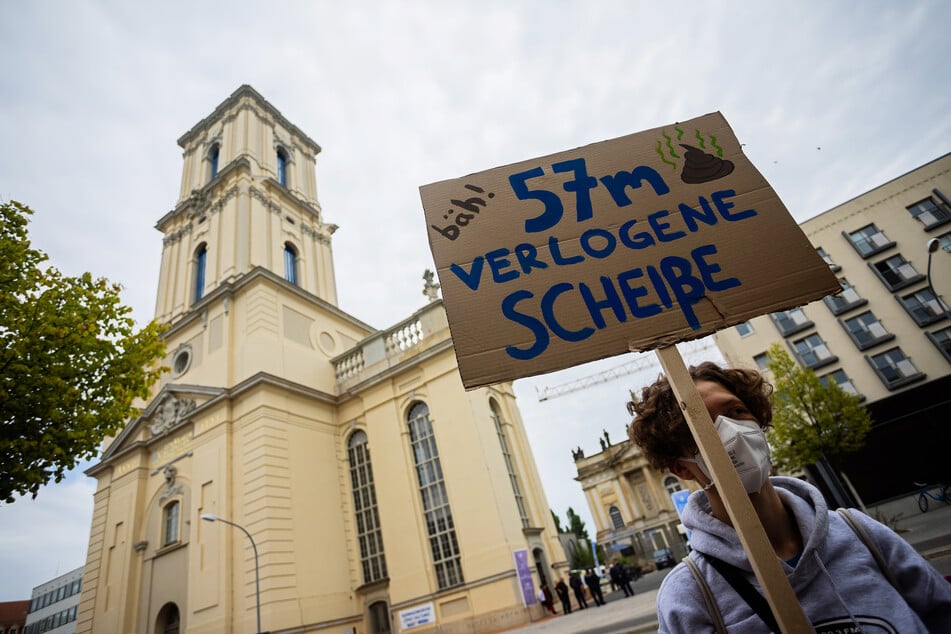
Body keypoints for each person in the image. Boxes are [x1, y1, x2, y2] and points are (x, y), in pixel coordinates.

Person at [627, 361, 951, 632]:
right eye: (702, 427)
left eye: (737, 411)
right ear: (681, 469)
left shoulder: (859, 533)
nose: (729, 430)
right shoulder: (690, 596)